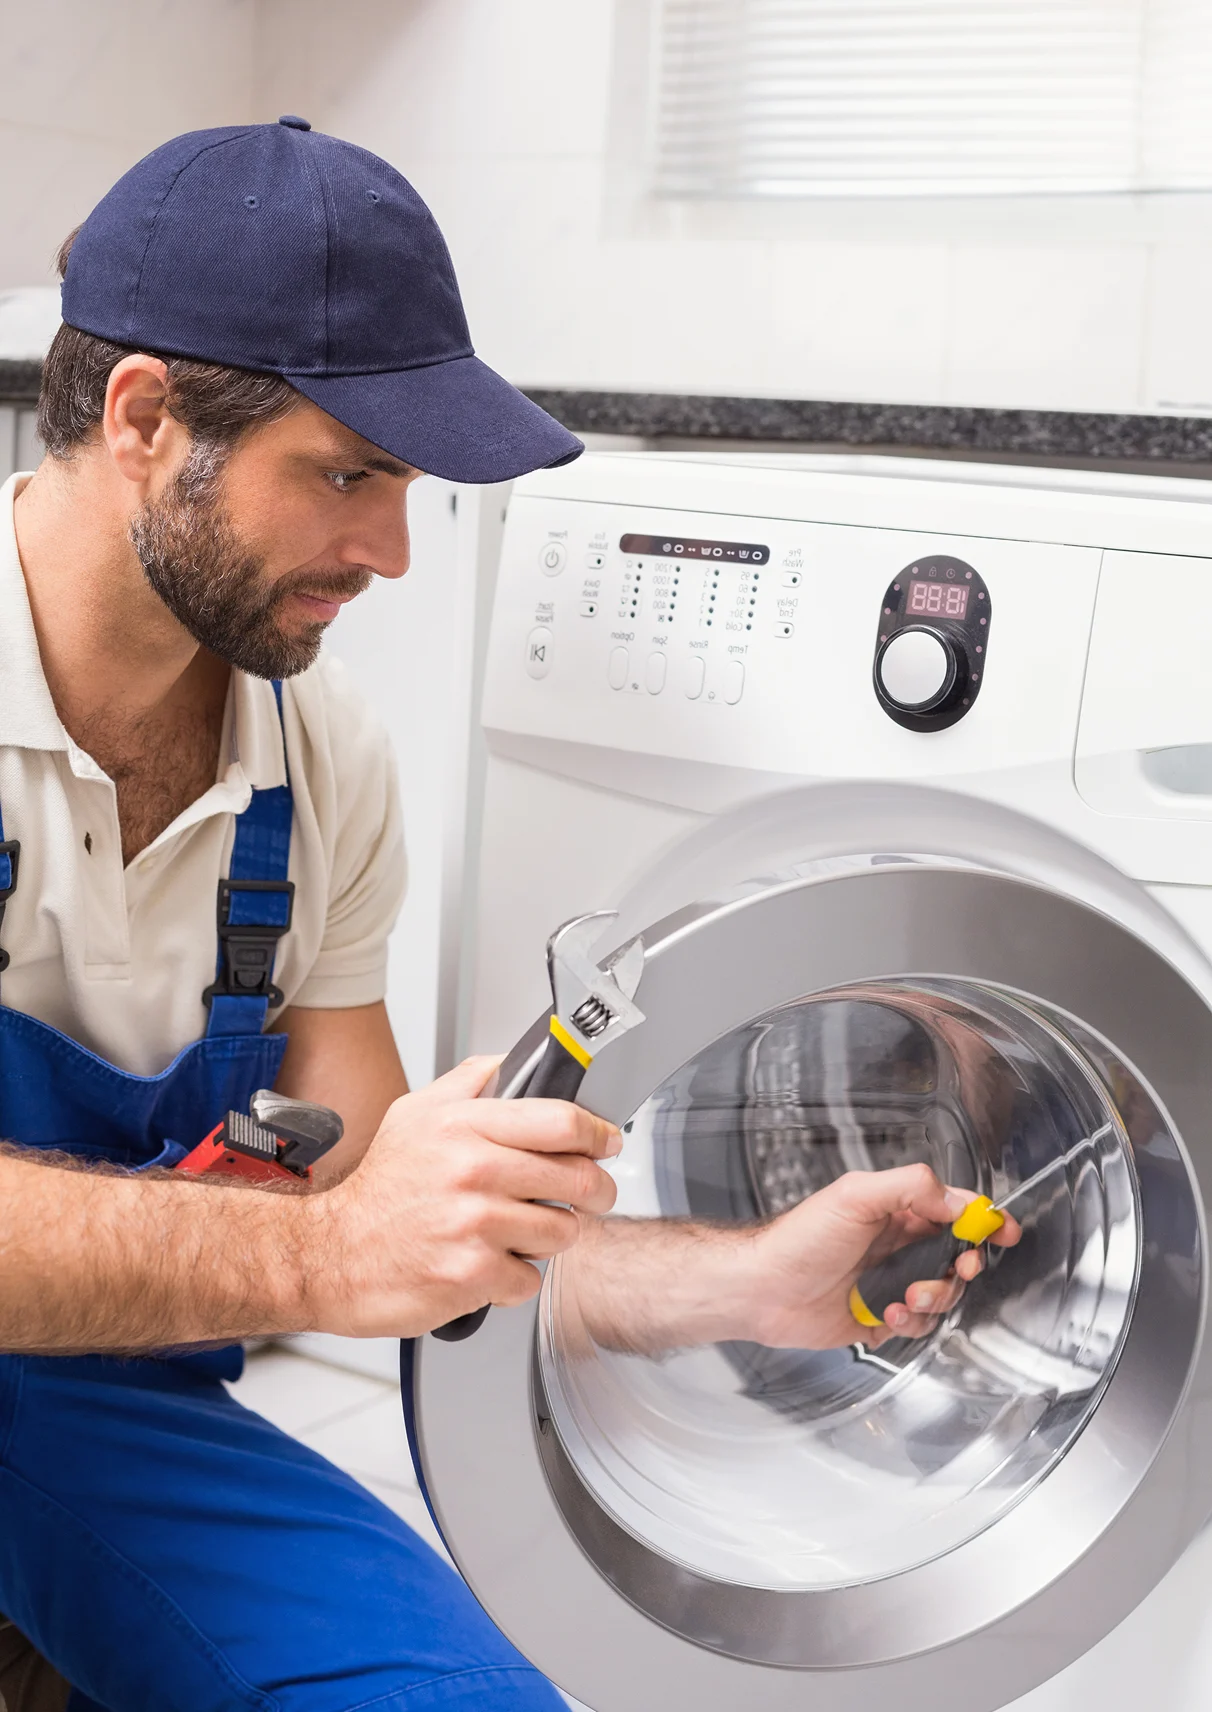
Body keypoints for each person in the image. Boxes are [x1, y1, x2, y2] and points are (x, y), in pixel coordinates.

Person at [0, 119, 1015, 1711]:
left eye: (400, 488)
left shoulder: (313, 755)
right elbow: (337, 1242)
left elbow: (395, 1218)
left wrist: (735, 1285)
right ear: (144, 419)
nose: (392, 554)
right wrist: (327, 1250)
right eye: (344, 475)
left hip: (93, 1410)